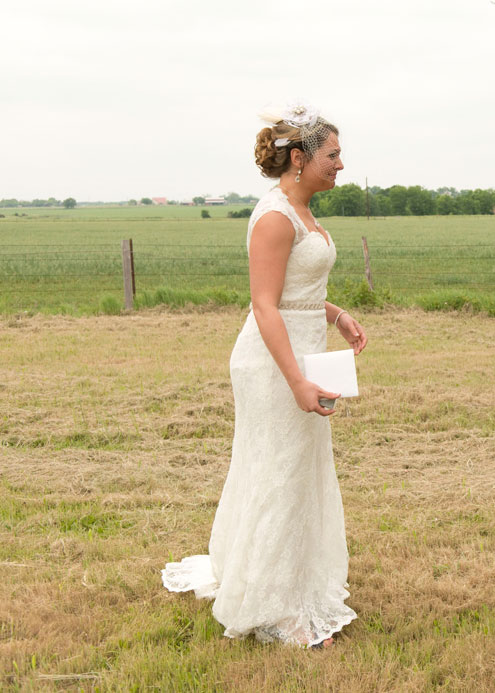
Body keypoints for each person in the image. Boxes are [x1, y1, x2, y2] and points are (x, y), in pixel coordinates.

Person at [162, 100, 367, 648]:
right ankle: (276, 611)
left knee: (297, 473)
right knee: (279, 474)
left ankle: (288, 581)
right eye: (334, 154)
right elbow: (264, 306)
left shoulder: (304, 214)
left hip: (302, 351)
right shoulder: (276, 216)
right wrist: (297, 381)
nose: (341, 164)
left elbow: (295, 295)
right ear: (299, 158)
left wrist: (336, 314)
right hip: (271, 366)